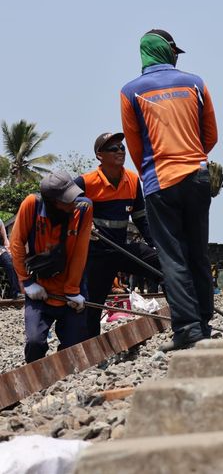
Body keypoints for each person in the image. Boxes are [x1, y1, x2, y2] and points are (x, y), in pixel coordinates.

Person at [120, 29, 218, 351]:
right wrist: (192, 158)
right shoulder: (195, 83)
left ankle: (188, 330)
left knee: (173, 259)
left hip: (159, 180)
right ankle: (204, 323)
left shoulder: (130, 91)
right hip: (197, 176)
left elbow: (135, 146)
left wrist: (151, 172)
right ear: (167, 52)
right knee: (197, 254)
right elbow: (211, 135)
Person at [75, 132, 161, 337]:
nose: (120, 151)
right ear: (99, 155)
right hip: (97, 253)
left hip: (122, 248)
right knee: (93, 304)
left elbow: (141, 217)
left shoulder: (132, 179)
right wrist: (85, 230)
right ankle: (91, 345)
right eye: (113, 149)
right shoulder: (85, 183)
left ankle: (181, 318)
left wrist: (155, 243)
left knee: (162, 265)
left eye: (122, 147)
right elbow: (65, 210)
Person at [10, 171, 93, 362]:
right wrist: (27, 281)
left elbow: (81, 251)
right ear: (52, 202)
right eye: (67, 200)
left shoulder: (83, 208)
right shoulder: (32, 205)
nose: (73, 203)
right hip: (41, 289)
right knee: (35, 343)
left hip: (71, 289)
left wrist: (73, 289)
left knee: (73, 349)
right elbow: (16, 243)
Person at [0, 218, 20, 298]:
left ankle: (15, 293)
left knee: (10, 261)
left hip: (1, 249)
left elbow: (5, 240)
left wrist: (8, 250)